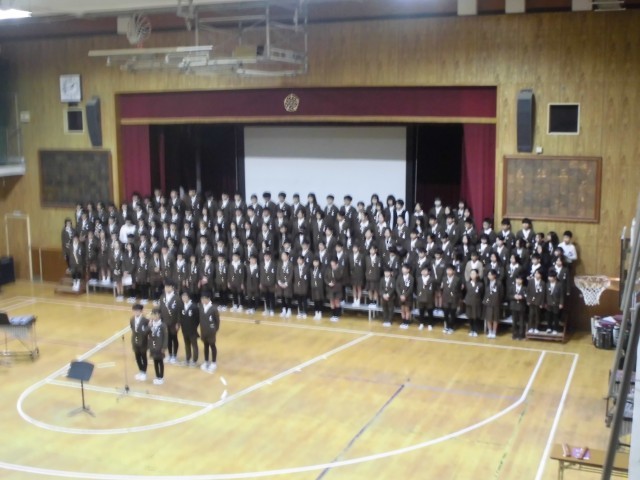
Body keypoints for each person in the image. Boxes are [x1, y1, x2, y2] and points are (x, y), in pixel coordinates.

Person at [198, 289, 220, 373]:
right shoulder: (201, 307)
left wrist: (214, 330)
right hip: (203, 331)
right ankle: (206, 361)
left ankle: (214, 362)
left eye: (205, 299)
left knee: (212, 346)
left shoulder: (213, 308)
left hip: (211, 331)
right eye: (202, 299)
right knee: (205, 346)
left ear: (208, 299)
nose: (203, 300)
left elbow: (217, 321)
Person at [160, 281, 180, 364]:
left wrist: (178, 323)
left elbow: (179, 311)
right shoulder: (162, 297)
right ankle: (170, 354)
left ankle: (174, 355)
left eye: (168, 287)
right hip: (165, 322)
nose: (167, 289)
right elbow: (160, 309)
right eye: (166, 287)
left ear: (172, 288)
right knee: (167, 339)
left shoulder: (177, 298)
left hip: (174, 322)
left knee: (174, 338)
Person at [148, 307, 168, 385]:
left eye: (156, 315)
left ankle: (161, 377)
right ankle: (157, 376)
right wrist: (149, 326)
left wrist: (164, 347)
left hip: (160, 347)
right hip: (153, 347)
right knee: (155, 362)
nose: (154, 316)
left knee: (160, 362)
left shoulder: (162, 325)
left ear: (159, 315)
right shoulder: (151, 324)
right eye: (153, 315)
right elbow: (147, 333)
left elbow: (166, 337)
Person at [130, 303, 149, 381]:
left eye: (137, 311)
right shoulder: (132, 319)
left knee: (143, 357)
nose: (136, 312)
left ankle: (144, 372)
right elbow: (132, 328)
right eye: (134, 311)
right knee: (137, 357)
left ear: (141, 311)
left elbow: (148, 331)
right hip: (135, 341)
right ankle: (140, 371)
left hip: (143, 341)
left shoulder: (145, 320)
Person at [180, 291, 199, 367]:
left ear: (189, 297)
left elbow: (197, 319)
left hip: (192, 330)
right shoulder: (182, 306)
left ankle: (194, 360)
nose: (184, 298)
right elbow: (181, 318)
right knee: (187, 345)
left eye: (185, 297)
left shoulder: (194, 307)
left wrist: (194, 327)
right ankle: (187, 359)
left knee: (194, 345)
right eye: (183, 297)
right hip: (184, 329)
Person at [442, 264, 462, 334]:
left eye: (450, 270)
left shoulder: (457, 279)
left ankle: (451, 327)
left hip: (454, 299)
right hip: (446, 299)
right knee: (446, 314)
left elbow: (459, 290)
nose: (448, 271)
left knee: (452, 314)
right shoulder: (444, 278)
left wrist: (458, 299)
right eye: (447, 270)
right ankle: (446, 326)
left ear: (453, 271)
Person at [483, 269, 504, 339]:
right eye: (488, 275)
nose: (489, 276)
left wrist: (498, 301)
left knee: (495, 318)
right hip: (488, 302)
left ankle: (494, 332)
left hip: (496, 303)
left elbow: (501, 294)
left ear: (494, 275)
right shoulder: (487, 283)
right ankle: (490, 331)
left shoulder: (499, 283)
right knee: (488, 318)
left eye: (490, 275)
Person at [464, 269, 484, 337]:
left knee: (475, 317)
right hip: (469, 302)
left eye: (474, 273)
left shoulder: (480, 284)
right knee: (470, 316)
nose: (472, 275)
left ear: (477, 275)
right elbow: (465, 292)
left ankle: (475, 330)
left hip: (476, 302)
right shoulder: (467, 283)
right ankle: (471, 329)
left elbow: (482, 293)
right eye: (471, 274)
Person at [416, 265, 435, 331]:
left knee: (430, 311)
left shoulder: (432, 279)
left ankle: (430, 324)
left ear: (429, 272)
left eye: (425, 270)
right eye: (422, 270)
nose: (424, 272)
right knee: (421, 311)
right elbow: (417, 287)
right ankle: (421, 323)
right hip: (420, 297)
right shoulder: (419, 279)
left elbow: (434, 289)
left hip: (429, 298)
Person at [526, 268, 545, 334]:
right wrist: (528, 300)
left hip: (538, 301)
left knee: (537, 315)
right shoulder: (531, 281)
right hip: (531, 301)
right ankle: (530, 327)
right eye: (536, 273)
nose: (536, 275)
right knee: (531, 315)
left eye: (538, 273)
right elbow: (527, 291)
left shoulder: (543, 283)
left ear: (541, 275)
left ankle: (536, 327)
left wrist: (542, 303)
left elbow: (543, 294)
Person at [545, 269, 564, 335]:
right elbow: (545, 294)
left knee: (556, 316)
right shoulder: (547, 284)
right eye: (549, 277)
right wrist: (545, 302)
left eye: (551, 277)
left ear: (555, 277)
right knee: (549, 316)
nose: (549, 278)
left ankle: (555, 329)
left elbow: (561, 295)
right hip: (549, 303)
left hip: (556, 303)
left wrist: (561, 303)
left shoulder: (559, 285)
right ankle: (549, 328)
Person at [396, 263, 414, 330]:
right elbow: (397, 286)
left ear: (408, 270)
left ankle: (407, 322)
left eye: (404, 268)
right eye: (402, 268)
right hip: (400, 296)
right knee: (402, 309)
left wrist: (405, 295)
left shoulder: (411, 278)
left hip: (408, 297)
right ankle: (403, 321)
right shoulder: (399, 277)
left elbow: (410, 288)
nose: (403, 270)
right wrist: (400, 295)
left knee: (407, 309)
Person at [325, 257, 344, 322]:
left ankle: (337, 315)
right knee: (331, 301)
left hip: (337, 288)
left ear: (336, 264)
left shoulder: (340, 269)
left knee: (336, 301)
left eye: (333, 265)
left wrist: (335, 270)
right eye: (331, 264)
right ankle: (333, 315)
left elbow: (339, 277)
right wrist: (328, 283)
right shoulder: (328, 269)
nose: (332, 266)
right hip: (330, 288)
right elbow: (325, 278)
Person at [277, 250, 294, 318]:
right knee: (282, 297)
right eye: (282, 256)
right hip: (281, 283)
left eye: (284, 256)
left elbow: (291, 274)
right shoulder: (280, 264)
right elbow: (278, 273)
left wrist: (286, 283)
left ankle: (289, 310)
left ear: (288, 256)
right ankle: (283, 310)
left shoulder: (290, 264)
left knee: (288, 296)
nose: (283, 257)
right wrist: (279, 282)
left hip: (288, 283)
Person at [509, 275, 527, 340]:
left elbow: (527, 296)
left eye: (520, 279)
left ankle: (521, 335)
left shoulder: (525, 288)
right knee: (514, 321)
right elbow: (509, 295)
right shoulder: (512, 287)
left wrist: (522, 297)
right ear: (515, 280)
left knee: (522, 321)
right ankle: (514, 334)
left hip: (521, 306)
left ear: (522, 281)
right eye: (517, 279)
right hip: (514, 306)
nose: (518, 281)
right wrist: (514, 296)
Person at [260, 251, 277, 316]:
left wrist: (275, 283)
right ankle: (267, 309)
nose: (266, 257)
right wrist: (261, 283)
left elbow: (276, 274)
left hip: (271, 283)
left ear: (270, 257)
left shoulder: (273, 264)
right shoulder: (262, 264)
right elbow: (261, 274)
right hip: (264, 283)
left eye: (267, 256)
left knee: (272, 296)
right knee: (266, 297)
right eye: (265, 256)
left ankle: (272, 309)